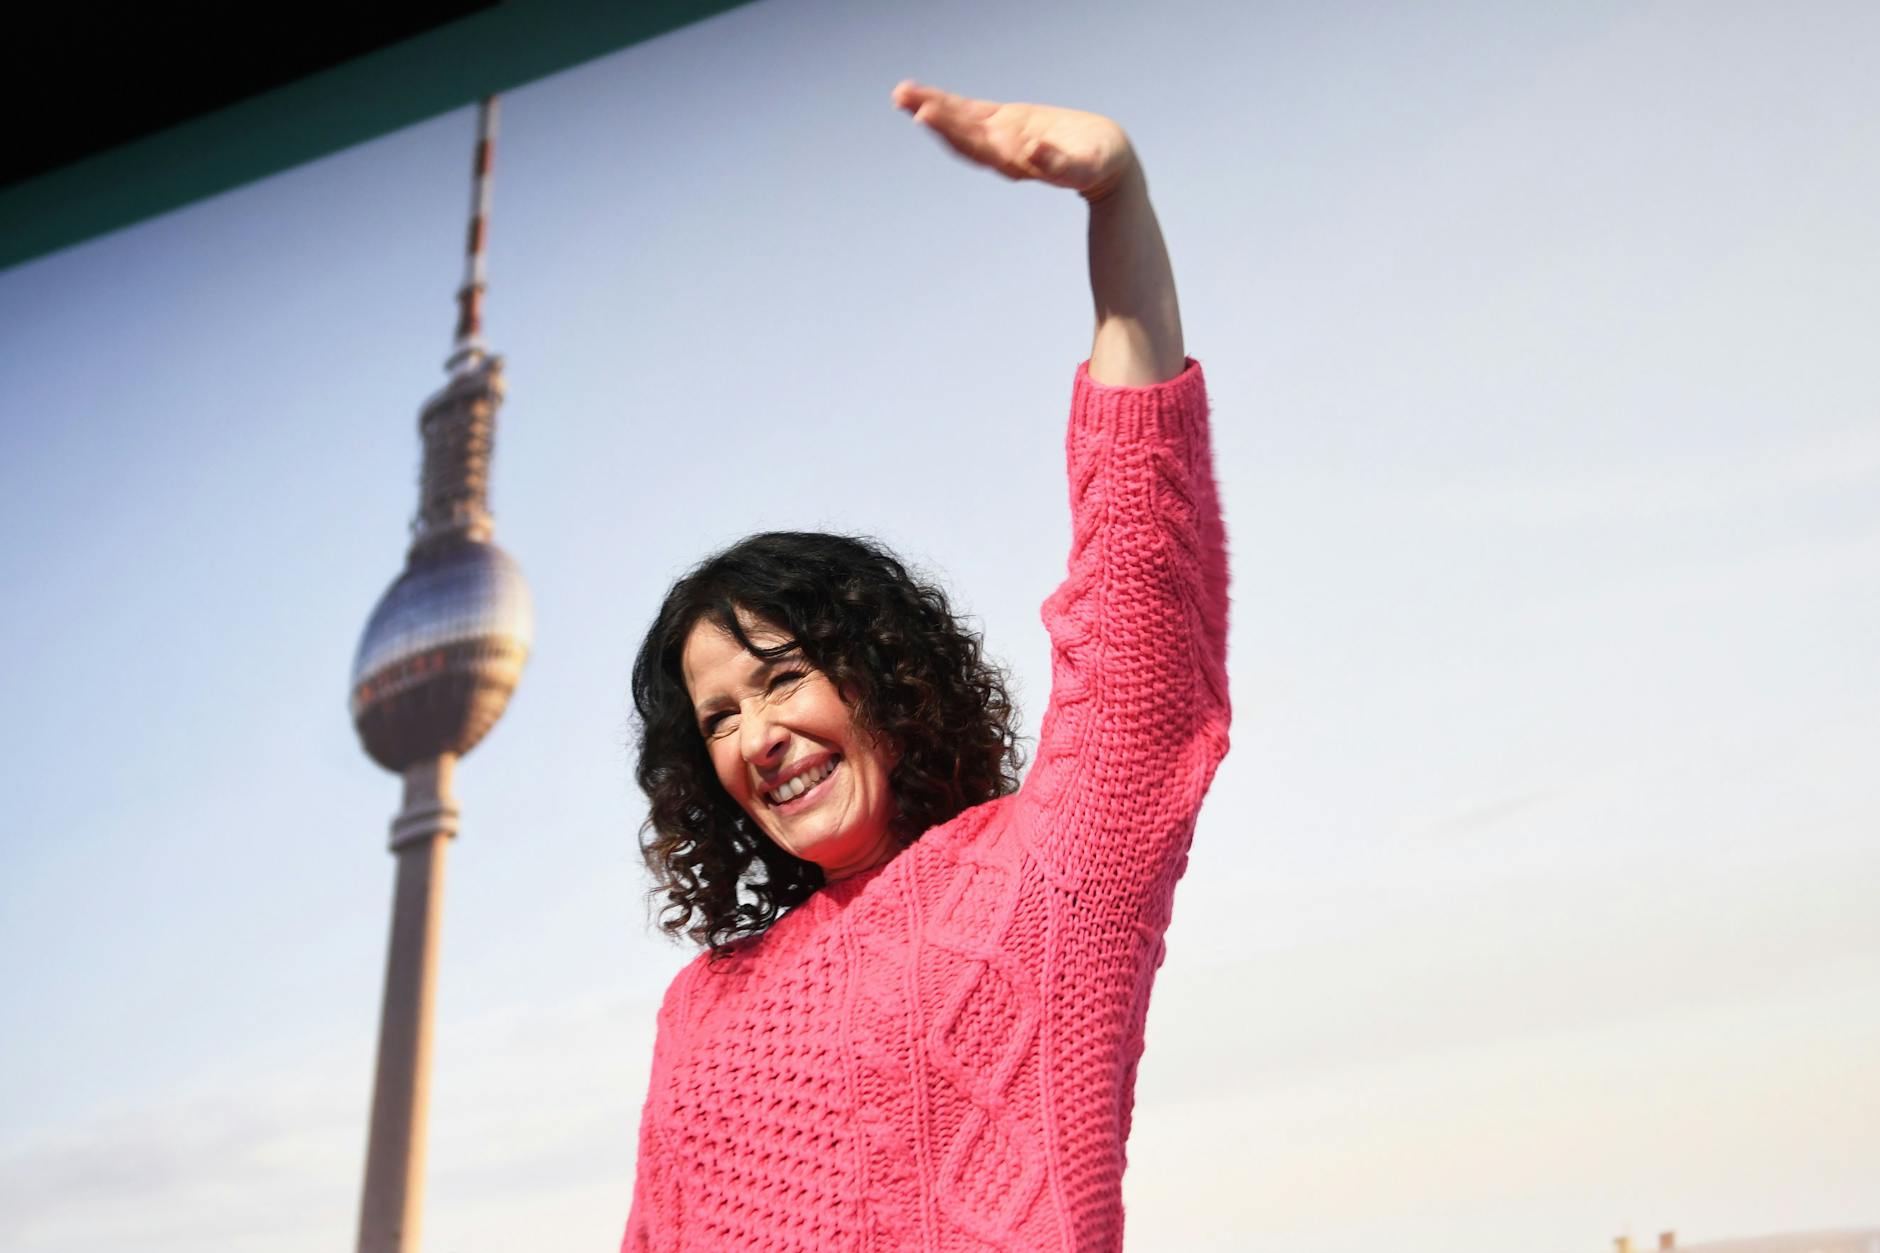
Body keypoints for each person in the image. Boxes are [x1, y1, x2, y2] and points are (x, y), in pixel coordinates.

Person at [622, 80, 1230, 1251]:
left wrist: (1116, 200)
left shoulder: (1044, 879)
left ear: (883, 671)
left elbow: (1137, 616)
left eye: (783, 675)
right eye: (717, 717)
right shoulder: (694, 1012)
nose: (756, 734)